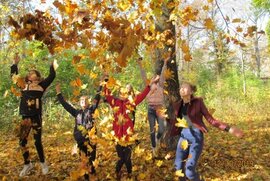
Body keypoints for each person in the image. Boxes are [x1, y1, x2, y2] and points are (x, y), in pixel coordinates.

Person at [173, 82, 244, 181]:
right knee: (178, 168)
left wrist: (229, 128)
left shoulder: (198, 102)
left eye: (185, 87)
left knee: (189, 171)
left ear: (192, 91)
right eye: (181, 88)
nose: (182, 89)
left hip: (196, 137)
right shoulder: (177, 105)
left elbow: (211, 120)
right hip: (183, 136)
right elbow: (173, 122)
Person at [103, 76, 159, 180]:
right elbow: (107, 93)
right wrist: (105, 80)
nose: (123, 95)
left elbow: (142, 96)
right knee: (121, 158)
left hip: (129, 137)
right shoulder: (114, 102)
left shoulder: (131, 103)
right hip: (117, 137)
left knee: (127, 158)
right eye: (121, 93)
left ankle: (129, 173)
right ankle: (117, 172)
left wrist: (149, 85)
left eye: (125, 93)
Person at [10, 53, 57, 177]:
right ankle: (27, 164)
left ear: (38, 77)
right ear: (28, 77)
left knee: (37, 142)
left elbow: (52, 76)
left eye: (35, 75)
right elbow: (14, 76)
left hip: (36, 117)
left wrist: (51, 64)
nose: (32, 75)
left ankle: (43, 163)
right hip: (25, 117)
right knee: (22, 142)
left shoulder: (42, 86)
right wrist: (15, 64)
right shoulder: (24, 86)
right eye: (31, 74)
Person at [56, 83, 102, 180]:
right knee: (84, 158)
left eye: (85, 100)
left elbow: (97, 98)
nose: (83, 102)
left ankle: (92, 172)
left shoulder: (91, 109)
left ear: (88, 102)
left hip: (91, 139)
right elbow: (65, 105)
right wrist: (59, 93)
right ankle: (86, 176)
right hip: (81, 140)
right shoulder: (76, 112)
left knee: (92, 158)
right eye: (81, 100)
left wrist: (101, 85)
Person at [137, 56, 169, 157]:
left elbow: (163, 74)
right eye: (154, 76)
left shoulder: (161, 85)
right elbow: (143, 74)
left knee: (162, 129)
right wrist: (140, 64)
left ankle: (158, 138)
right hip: (150, 109)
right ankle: (154, 147)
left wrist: (165, 63)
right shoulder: (149, 86)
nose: (156, 77)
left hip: (160, 109)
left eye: (157, 76)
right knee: (152, 129)